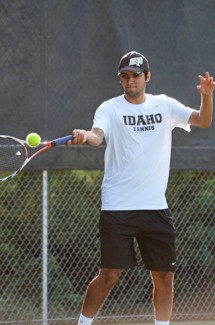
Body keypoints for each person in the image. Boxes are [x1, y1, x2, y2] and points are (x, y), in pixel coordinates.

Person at [69, 51, 214, 325]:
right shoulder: (109, 108)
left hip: (155, 208)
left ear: (147, 76)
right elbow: (96, 136)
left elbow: (203, 121)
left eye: (135, 75)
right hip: (117, 207)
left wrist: (206, 96)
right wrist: (84, 135)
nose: (129, 80)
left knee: (164, 277)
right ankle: (82, 323)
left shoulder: (165, 105)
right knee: (109, 275)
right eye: (124, 76)